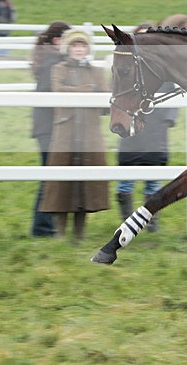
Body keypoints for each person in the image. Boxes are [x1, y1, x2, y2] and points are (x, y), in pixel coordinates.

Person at [40, 28, 110, 241]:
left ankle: (80, 234)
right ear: (68, 48)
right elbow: (58, 92)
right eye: (75, 46)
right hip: (66, 132)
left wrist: (83, 89)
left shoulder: (97, 72)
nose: (79, 50)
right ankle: (60, 233)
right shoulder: (58, 69)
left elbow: (106, 98)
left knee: (86, 185)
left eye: (82, 46)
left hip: (89, 133)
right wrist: (87, 89)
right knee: (62, 183)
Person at [116, 23, 179, 231]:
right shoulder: (129, 68)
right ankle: (127, 220)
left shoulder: (163, 70)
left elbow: (174, 96)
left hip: (155, 133)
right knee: (126, 181)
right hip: (132, 134)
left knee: (153, 182)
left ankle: (151, 222)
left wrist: (167, 119)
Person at [29, 20, 72, 237]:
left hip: (48, 128)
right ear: (57, 41)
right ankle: (42, 227)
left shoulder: (51, 61)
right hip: (49, 129)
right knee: (50, 177)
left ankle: (46, 225)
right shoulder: (52, 64)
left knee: (51, 176)